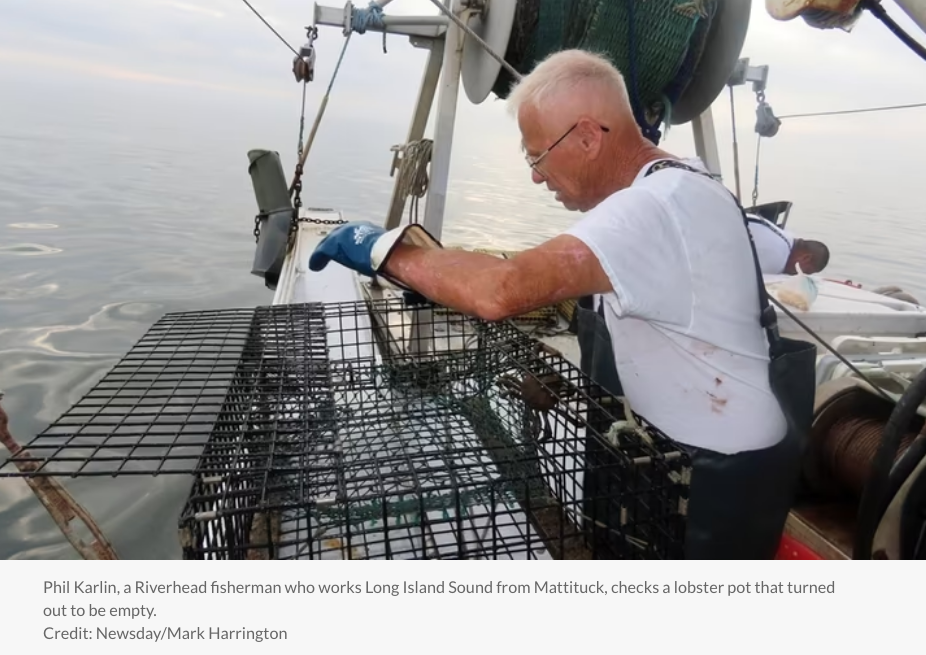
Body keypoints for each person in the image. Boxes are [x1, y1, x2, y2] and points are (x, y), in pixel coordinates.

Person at [307, 49, 805, 559]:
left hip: (713, 478)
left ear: (588, 136)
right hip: (702, 455)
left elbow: (501, 289)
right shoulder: (689, 183)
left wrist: (377, 250)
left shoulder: (651, 207)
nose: (536, 177)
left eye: (537, 156)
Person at [747, 215, 830, 275]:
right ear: (806, 258)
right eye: (806, 271)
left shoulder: (787, 237)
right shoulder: (777, 259)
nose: (798, 275)